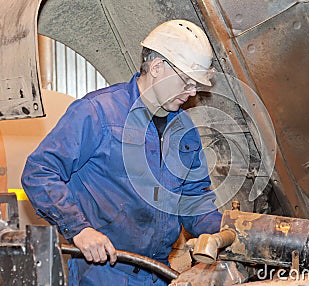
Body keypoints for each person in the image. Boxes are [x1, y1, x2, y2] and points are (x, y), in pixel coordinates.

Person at [21, 19, 222, 285]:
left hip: (159, 273)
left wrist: (232, 233)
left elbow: (193, 198)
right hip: (104, 271)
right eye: (186, 81)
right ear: (157, 68)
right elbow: (39, 172)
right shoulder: (97, 112)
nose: (193, 91)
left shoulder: (184, 130)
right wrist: (79, 229)